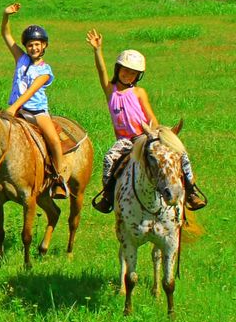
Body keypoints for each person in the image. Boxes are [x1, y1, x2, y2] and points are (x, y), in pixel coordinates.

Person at [87, 30, 206, 212]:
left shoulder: (139, 92)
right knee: (109, 158)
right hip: (126, 141)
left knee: (180, 153)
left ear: (138, 76)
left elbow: (150, 117)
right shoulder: (110, 91)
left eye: (133, 73)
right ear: (118, 69)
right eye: (125, 70)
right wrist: (97, 50)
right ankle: (108, 196)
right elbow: (101, 70)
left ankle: (190, 191)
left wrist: (158, 135)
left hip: (146, 136)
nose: (128, 75)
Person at [0, 3, 66, 199]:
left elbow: (31, 91)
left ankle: (59, 179)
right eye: (30, 44)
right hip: (17, 112)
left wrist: (12, 108)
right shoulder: (21, 58)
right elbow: (6, 34)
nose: (33, 47)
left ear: (44, 45)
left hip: (36, 112)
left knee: (53, 140)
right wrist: (6, 16)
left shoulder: (46, 71)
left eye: (37, 44)